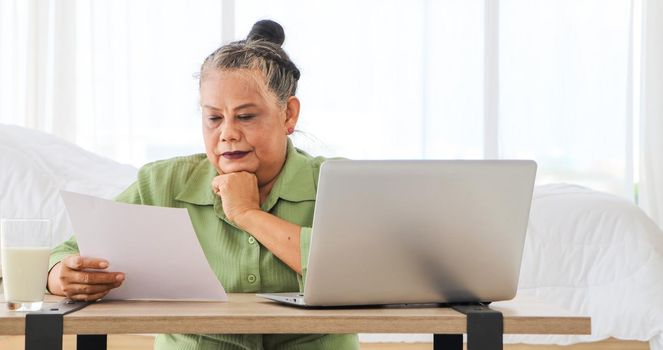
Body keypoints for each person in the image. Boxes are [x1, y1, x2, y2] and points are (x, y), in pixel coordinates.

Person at [46, 19, 360, 350]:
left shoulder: (335, 183)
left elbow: (356, 271)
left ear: (288, 115)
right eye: (213, 118)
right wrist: (58, 275)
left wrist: (245, 212)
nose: (227, 133)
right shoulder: (162, 184)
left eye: (246, 116)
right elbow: (68, 251)